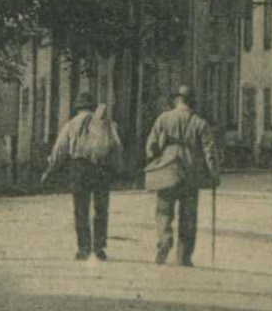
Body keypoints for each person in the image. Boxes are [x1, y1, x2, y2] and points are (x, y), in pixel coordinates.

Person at [144, 84, 222, 266]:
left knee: (163, 210)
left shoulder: (163, 119)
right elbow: (210, 151)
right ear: (192, 102)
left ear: (177, 100)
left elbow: (151, 146)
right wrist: (214, 174)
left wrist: (156, 159)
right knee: (188, 216)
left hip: (168, 169)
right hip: (190, 172)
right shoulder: (200, 123)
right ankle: (183, 257)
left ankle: (165, 239)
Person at [43, 92, 125, 261]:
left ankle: (84, 248)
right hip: (101, 169)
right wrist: (117, 169)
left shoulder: (71, 124)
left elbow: (60, 149)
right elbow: (116, 147)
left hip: (79, 168)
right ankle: (99, 248)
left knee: (81, 209)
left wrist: (51, 169)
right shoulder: (105, 124)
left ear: (78, 107)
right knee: (101, 209)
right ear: (93, 107)